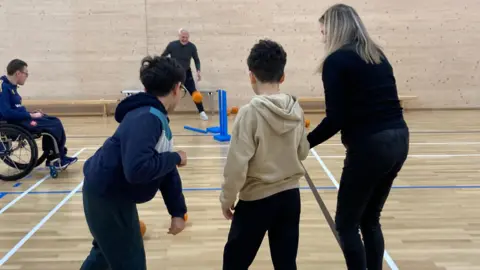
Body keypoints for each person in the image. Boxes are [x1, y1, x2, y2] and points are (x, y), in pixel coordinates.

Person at [307, 4, 410, 270]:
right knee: (370, 219)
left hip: (371, 145)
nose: (323, 38)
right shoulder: (377, 55)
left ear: (335, 30)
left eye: (323, 32)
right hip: (399, 139)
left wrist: (304, 144)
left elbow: (335, 119)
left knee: (346, 224)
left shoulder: (336, 61)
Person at [80, 56, 189, 270]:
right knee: (131, 262)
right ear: (176, 88)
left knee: (105, 254)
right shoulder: (146, 118)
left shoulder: (155, 116)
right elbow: (138, 169)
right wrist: (176, 157)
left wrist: (177, 211)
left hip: (110, 194)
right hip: (107, 197)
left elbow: (164, 168)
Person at [220, 39, 310, 270]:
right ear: (282, 77)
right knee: (286, 262)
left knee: (234, 262)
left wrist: (227, 199)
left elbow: (236, 166)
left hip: (256, 201)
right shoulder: (296, 108)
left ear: (251, 75)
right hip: (290, 198)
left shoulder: (249, 113)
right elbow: (303, 151)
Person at [0, 59, 77, 169]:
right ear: (18, 73)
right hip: (13, 124)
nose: (27, 76)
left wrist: (30, 113)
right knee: (53, 125)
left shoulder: (10, 86)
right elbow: (6, 113)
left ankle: (56, 156)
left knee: (53, 120)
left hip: (20, 119)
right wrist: (30, 116)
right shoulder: (3, 88)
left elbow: (15, 108)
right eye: (26, 74)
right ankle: (54, 158)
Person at [161, 28, 208, 120]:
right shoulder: (172, 45)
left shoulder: (192, 47)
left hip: (186, 72)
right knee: (168, 93)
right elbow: (163, 56)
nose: (184, 39)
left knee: (194, 92)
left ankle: (202, 112)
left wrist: (198, 71)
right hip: (174, 73)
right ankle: (164, 112)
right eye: (183, 37)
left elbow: (196, 60)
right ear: (179, 36)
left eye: (186, 37)